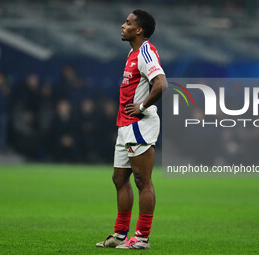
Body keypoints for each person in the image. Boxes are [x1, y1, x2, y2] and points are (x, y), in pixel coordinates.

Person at [96, 9, 168, 250]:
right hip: (124, 125)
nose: (123, 26)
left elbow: (161, 84)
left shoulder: (146, 53)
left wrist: (143, 106)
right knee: (119, 178)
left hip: (140, 124)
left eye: (128, 23)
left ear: (139, 30)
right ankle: (120, 234)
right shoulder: (132, 52)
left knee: (142, 181)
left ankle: (142, 237)